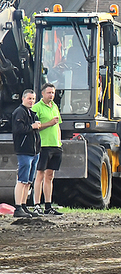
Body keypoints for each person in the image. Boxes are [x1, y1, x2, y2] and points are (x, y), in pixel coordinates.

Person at [32, 83, 64, 216]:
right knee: (40, 174)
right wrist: (49, 123)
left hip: (55, 145)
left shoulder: (55, 106)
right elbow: (35, 127)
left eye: (53, 93)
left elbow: (58, 126)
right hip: (43, 146)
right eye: (49, 93)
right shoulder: (36, 108)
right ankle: (36, 204)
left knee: (50, 176)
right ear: (43, 93)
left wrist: (59, 142)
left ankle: (48, 205)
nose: (51, 95)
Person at [12, 89, 42, 218]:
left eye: (33, 99)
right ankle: (18, 207)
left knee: (29, 181)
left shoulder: (31, 113)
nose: (31, 101)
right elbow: (18, 129)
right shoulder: (19, 112)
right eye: (29, 98)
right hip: (24, 150)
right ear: (23, 99)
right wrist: (32, 126)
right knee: (22, 180)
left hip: (34, 151)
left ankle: (24, 205)